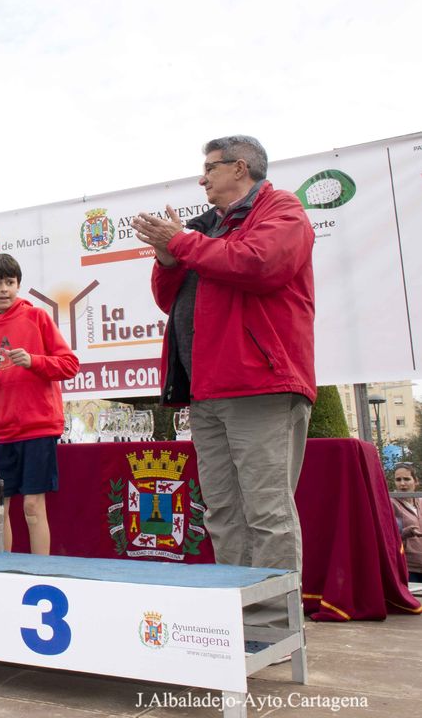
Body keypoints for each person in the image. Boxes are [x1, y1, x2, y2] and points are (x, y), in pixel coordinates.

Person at [132, 135, 315, 630]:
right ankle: (238, 616)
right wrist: (166, 257)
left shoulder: (282, 210)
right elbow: (169, 299)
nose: (202, 178)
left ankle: (274, 625)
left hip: (260, 384)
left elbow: (259, 264)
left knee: (267, 511)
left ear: (240, 168)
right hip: (206, 388)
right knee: (222, 511)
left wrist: (181, 243)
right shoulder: (205, 228)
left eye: (210, 168)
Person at [0, 253, 79, 555]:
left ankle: (39, 572)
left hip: (39, 427)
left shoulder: (37, 317)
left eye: (10, 282)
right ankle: (3, 568)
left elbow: (70, 365)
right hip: (3, 431)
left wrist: (33, 361)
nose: (4, 289)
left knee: (32, 506)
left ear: (18, 285)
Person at [391, 463, 422, 583]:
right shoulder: (391, 503)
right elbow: (388, 536)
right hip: (408, 567)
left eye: (407, 479)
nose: (402, 483)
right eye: (398, 480)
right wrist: (406, 533)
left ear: (416, 481)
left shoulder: (420, 501)